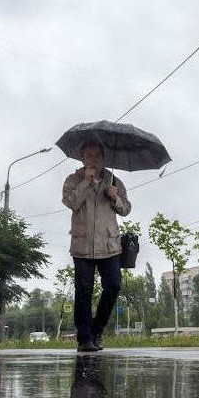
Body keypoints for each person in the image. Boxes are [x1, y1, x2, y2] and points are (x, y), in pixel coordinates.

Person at [62, 141, 131, 352]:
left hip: (109, 244)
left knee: (113, 285)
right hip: (82, 244)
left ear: (103, 158)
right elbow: (70, 203)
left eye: (97, 156)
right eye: (88, 156)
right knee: (83, 290)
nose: (93, 159)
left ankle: (97, 329)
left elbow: (126, 209)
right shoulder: (72, 180)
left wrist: (115, 197)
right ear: (82, 159)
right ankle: (84, 339)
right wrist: (85, 182)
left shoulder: (114, 180)